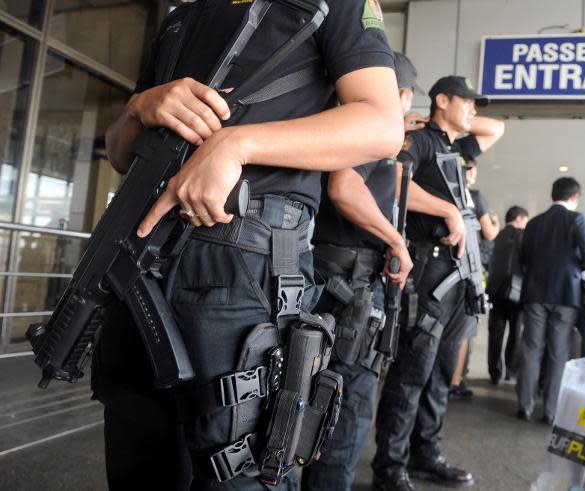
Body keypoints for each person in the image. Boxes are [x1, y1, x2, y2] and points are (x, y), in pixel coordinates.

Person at [97, 1, 404, 490]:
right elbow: (117, 150)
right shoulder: (181, 16)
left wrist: (236, 144)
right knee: (137, 461)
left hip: (244, 261)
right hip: (139, 256)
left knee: (239, 474)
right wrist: (140, 107)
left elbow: (382, 125)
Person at [372, 75, 504, 491]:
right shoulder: (424, 142)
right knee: (411, 376)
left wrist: (452, 117)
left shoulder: (456, 146)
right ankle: (389, 467)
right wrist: (446, 209)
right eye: (465, 102)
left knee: (441, 375)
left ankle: (426, 454)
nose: (474, 111)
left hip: (455, 279)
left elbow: (497, 128)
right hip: (426, 277)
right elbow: (392, 181)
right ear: (441, 100)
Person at [300, 51, 420, 491]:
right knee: (343, 414)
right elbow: (345, 187)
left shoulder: (354, 129)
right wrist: (395, 240)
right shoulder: (372, 133)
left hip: (337, 280)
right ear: (401, 95)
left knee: (320, 407)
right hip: (349, 288)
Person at [516, 177, 585, 424]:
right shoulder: (577, 220)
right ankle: (550, 411)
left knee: (531, 349)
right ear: (574, 198)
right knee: (558, 353)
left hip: (534, 294)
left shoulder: (534, 223)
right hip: (565, 295)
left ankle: (525, 406)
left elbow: (524, 257)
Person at [448, 159, 499, 401]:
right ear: (469, 171)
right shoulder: (475, 197)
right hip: (467, 269)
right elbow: (489, 233)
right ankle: (454, 382)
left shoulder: (441, 191)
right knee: (464, 330)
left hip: (440, 267)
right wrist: (496, 224)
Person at [485, 206, 528, 385]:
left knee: (495, 333)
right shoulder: (524, 236)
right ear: (519, 218)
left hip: (495, 291)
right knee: (515, 333)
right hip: (517, 293)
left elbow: (487, 259)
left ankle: (494, 372)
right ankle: (511, 371)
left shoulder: (496, 235)